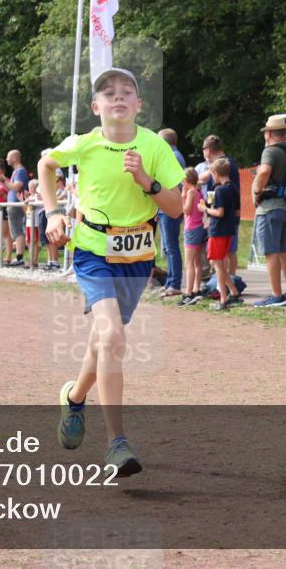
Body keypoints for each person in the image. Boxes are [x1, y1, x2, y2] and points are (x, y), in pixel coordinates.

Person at [39, 67, 184, 478]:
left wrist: (146, 181)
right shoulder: (83, 144)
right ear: (96, 106)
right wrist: (52, 213)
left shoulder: (154, 146)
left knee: (103, 339)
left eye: (127, 92)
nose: (118, 97)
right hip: (92, 253)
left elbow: (176, 208)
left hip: (137, 257)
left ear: (139, 105)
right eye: (109, 92)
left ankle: (74, 395)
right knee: (114, 336)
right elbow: (45, 164)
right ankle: (117, 442)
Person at [251, 115, 286, 307]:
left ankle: (276, 295)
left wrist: (257, 191)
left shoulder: (271, 151)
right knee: (282, 249)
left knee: (270, 252)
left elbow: (264, 172)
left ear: (269, 133)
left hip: (271, 208)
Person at [200, 158, 241, 310]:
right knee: (218, 263)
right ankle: (234, 291)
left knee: (217, 264)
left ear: (215, 173)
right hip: (229, 229)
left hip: (218, 230)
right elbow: (237, 211)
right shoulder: (233, 188)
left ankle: (223, 299)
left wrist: (204, 209)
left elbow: (219, 212)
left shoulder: (220, 190)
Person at [199, 134, 241, 279]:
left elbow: (231, 191)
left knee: (229, 251)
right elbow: (211, 190)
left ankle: (231, 281)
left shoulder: (224, 165)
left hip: (225, 215)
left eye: (203, 150)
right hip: (219, 214)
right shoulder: (221, 165)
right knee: (223, 252)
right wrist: (208, 214)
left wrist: (209, 213)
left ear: (208, 150)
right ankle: (223, 282)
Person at [157, 129, 187, 298]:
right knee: (168, 247)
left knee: (171, 247)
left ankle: (174, 283)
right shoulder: (175, 156)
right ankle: (170, 281)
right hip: (165, 207)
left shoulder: (174, 157)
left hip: (169, 207)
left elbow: (168, 182)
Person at [180, 167, 207, 306]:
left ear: (186, 180)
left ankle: (188, 293)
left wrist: (182, 198)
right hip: (200, 227)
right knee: (197, 262)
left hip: (191, 228)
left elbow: (187, 210)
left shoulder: (190, 192)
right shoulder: (198, 191)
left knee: (189, 263)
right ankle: (196, 289)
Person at [2, 149, 31, 267]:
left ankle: (19, 257)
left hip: (16, 204)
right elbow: (12, 187)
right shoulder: (16, 171)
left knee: (17, 230)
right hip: (14, 203)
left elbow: (16, 186)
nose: (6, 159)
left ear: (14, 158)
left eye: (8, 157)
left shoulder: (19, 171)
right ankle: (20, 256)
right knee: (17, 230)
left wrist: (3, 180)